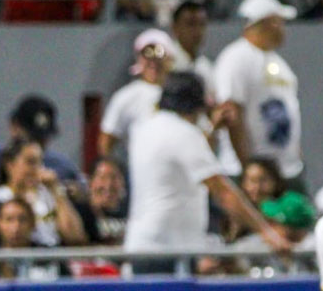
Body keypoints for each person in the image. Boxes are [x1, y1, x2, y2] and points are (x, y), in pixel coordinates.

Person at [123, 72, 291, 274]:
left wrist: (212, 130)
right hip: (170, 250)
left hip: (141, 246)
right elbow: (222, 192)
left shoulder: (144, 129)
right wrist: (268, 234)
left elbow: (186, 162)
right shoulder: (184, 133)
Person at [214, 0, 305, 193]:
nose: (283, 29)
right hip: (253, 175)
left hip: (285, 169)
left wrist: (296, 154)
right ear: (266, 23)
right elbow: (231, 114)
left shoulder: (278, 62)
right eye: (279, 22)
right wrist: (247, 167)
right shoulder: (236, 57)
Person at [0, 139, 87, 247]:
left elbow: (75, 237)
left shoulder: (50, 194)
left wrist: (56, 190)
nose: (38, 168)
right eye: (31, 162)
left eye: (40, 162)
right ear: (10, 165)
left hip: (52, 254)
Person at [98, 28, 175, 157]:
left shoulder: (181, 92)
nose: (153, 62)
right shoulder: (125, 96)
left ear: (169, 58)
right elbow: (106, 140)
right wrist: (110, 165)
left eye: (159, 54)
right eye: (147, 54)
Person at [0, 94, 83, 191]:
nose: (36, 145)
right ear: (14, 127)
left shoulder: (62, 167)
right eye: (32, 137)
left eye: (43, 139)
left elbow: (81, 189)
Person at [73, 157, 127, 245]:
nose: (108, 185)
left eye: (114, 178)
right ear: (90, 182)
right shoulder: (79, 214)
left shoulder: (131, 213)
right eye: (102, 178)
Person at [170, 0, 214, 97]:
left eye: (202, 24)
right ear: (175, 28)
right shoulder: (166, 63)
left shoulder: (205, 66)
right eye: (191, 24)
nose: (197, 30)